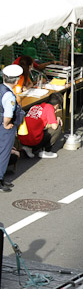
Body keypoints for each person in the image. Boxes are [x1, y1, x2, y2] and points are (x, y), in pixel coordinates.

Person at [0, 65, 24, 193]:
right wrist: (6, 124)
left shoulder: (0, 88)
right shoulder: (9, 95)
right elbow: (8, 115)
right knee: (4, 153)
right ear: (16, 81)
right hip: (4, 127)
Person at [18, 92, 62, 159]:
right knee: (58, 128)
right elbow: (54, 126)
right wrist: (58, 119)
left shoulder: (36, 106)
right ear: (57, 105)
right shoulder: (50, 108)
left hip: (23, 138)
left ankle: (28, 148)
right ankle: (46, 151)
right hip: (34, 140)